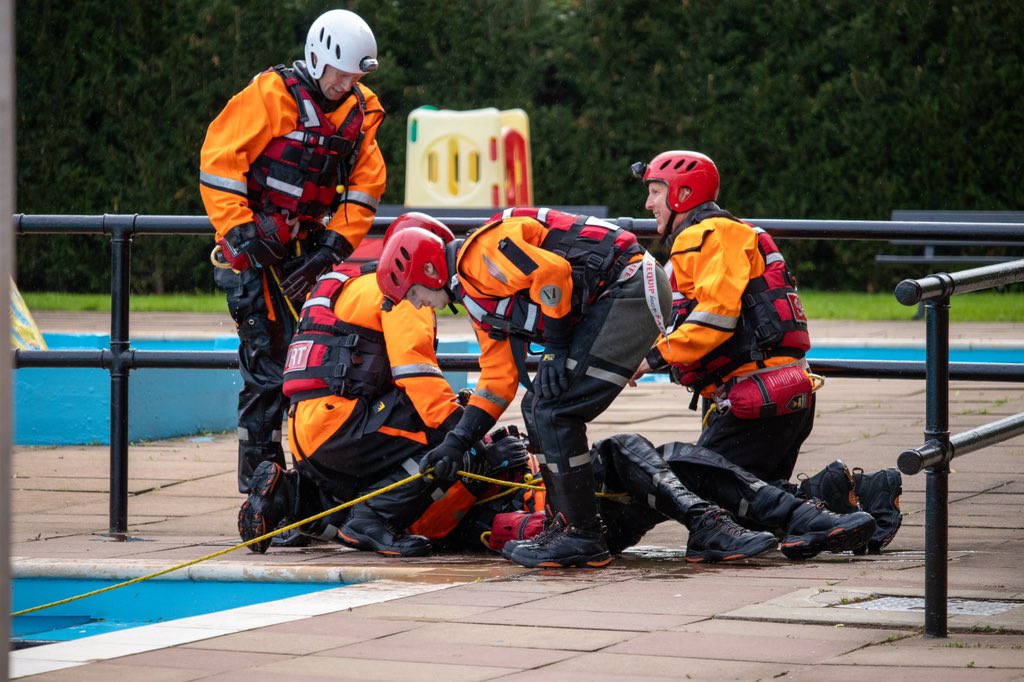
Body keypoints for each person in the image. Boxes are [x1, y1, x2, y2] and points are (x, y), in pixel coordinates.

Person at [375, 208, 786, 568]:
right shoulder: (479, 300)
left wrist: (554, 346)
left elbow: (552, 273)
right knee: (541, 407)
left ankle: (582, 535)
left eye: (413, 293)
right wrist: (456, 443)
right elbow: (498, 382)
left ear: (428, 271)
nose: (419, 304)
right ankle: (565, 528)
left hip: (630, 289)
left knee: (553, 411)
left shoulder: (479, 257)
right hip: (622, 293)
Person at [629, 150, 902, 553]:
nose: (648, 203)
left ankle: (860, 494)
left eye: (655, 191)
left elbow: (716, 317)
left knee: (700, 490)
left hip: (754, 404)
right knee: (756, 505)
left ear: (683, 193)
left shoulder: (705, 235)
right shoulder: (735, 232)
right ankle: (845, 497)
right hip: (779, 395)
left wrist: (650, 359)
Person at [237, 215, 525, 556]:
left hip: (312, 433)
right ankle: (372, 519)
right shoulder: (403, 289)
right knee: (445, 438)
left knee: (391, 457)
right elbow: (418, 376)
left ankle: (291, 498)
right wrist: (469, 437)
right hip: (344, 428)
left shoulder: (347, 284)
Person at [199, 9, 386, 502]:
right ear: (315, 58)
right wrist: (240, 232)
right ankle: (262, 492)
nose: (344, 84)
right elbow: (220, 161)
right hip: (252, 254)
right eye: (339, 73)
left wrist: (332, 247)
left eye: (354, 76)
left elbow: (367, 186)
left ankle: (316, 484)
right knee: (266, 366)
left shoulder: (362, 111)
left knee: (321, 360)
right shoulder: (271, 95)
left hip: (308, 252)